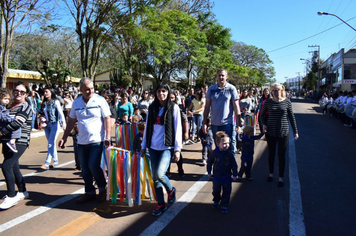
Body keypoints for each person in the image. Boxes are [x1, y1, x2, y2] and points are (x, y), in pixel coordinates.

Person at [58, 77, 111, 203]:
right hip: (81, 141)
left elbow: (107, 118)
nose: (90, 91)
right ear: (81, 89)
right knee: (85, 169)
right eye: (87, 89)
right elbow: (71, 121)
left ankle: (103, 189)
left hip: (96, 140)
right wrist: (64, 138)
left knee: (93, 165)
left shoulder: (100, 100)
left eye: (92, 88)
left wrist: (107, 137)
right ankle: (89, 192)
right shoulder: (76, 103)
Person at [141, 82, 182, 216]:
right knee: (155, 178)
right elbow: (147, 127)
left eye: (164, 91)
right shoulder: (152, 107)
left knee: (159, 174)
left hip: (167, 146)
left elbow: (178, 128)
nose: (161, 94)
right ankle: (161, 203)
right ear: (156, 93)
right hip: (153, 147)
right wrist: (143, 146)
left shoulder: (174, 107)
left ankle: (170, 191)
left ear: (168, 92)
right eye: (159, 91)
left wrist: (177, 149)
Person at [0, 84, 32, 210]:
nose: (18, 93)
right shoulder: (10, 106)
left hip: (20, 141)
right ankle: (22, 191)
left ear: (26, 94)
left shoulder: (25, 107)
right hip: (7, 140)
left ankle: (11, 195)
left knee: (7, 165)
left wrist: (2, 132)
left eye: (22, 92)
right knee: (14, 167)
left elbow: (17, 123)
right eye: (16, 91)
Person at [260, 83, 299, 187]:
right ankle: (271, 174)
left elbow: (291, 117)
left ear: (282, 90)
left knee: (281, 155)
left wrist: (296, 131)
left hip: (283, 131)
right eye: (274, 90)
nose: (276, 92)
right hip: (271, 132)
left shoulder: (287, 102)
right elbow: (262, 115)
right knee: (271, 154)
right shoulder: (268, 102)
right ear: (271, 91)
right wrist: (263, 124)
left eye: (278, 90)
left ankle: (281, 178)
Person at [202, 69, 242, 149]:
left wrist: (238, 124)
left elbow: (236, 107)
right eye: (219, 75)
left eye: (223, 75)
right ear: (217, 77)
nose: (221, 77)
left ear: (226, 77)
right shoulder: (211, 89)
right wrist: (204, 123)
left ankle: (230, 162)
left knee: (229, 148)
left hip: (227, 124)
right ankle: (219, 162)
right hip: (214, 124)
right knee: (218, 148)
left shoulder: (231, 89)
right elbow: (207, 107)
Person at [207, 131, 237, 214]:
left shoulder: (229, 154)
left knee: (227, 192)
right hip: (217, 177)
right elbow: (209, 162)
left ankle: (224, 205)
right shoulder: (214, 153)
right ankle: (216, 200)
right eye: (224, 143)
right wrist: (209, 171)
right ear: (217, 143)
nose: (226, 145)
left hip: (227, 177)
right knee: (216, 191)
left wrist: (235, 173)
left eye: (228, 143)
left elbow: (234, 164)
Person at [40, 87, 66, 170]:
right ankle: (55, 161)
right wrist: (41, 119)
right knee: (51, 143)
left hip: (55, 124)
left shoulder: (56, 101)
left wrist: (64, 123)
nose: (45, 93)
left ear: (51, 92)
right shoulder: (44, 103)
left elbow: (61, 113)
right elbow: (41, 113)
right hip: (47, 125)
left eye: (47, 92)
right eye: (44, 92)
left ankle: (47, 163)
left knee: (50, 143)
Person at [0, 88, 21, 153]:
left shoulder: (5, 107)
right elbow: (2, 117)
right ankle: (12, 141)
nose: (7, 101)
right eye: (5, 99)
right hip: (2, 127)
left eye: (8, 99)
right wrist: (12, 119)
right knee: (16, 125)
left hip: (3, 127)